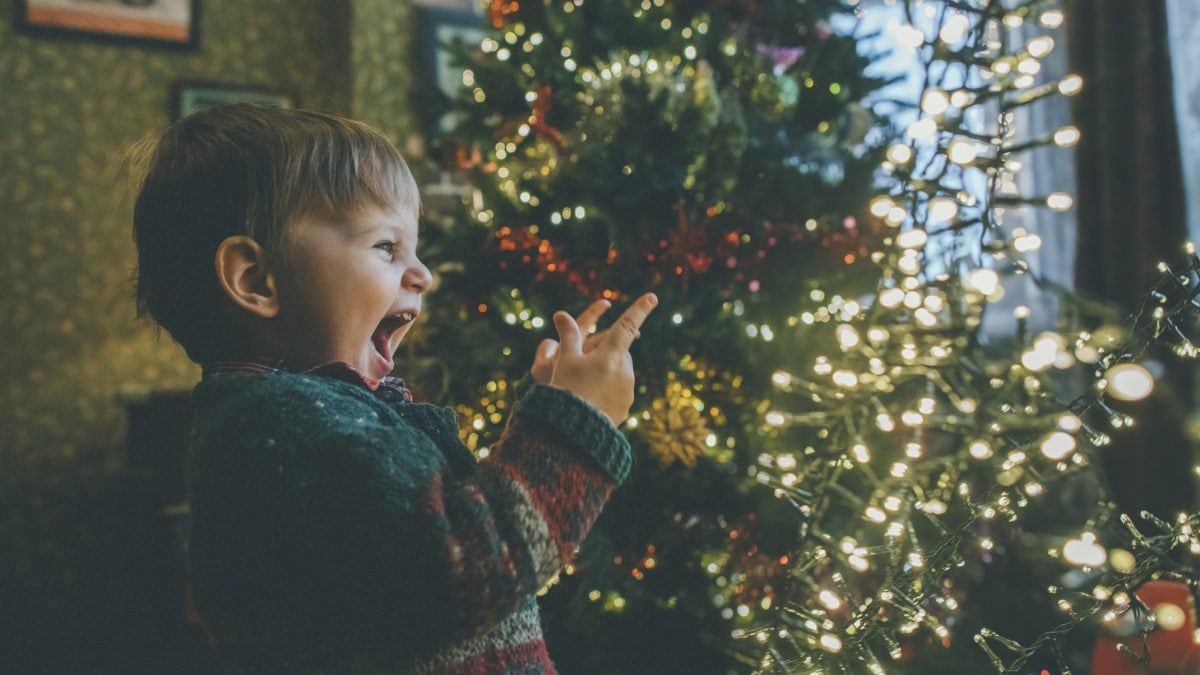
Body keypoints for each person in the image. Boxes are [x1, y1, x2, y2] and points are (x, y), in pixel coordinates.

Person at [131, 103, 657, 673]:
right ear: (256, 279)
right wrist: (571, 425)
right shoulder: (275, 424)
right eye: (386, 247)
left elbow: (453, 523)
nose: (423, 274)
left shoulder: (318, 416)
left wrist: (543, 413)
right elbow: (459, 570)